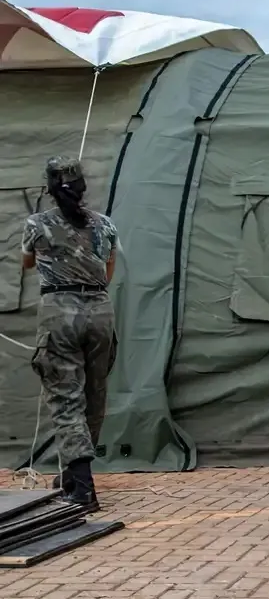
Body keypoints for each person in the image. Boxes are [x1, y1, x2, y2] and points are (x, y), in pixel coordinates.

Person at [20, 156, 118, 512]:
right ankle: (73, 473)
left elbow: (28, 262)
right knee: (94, 394)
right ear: (82, 188)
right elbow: (109, 271)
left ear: (49, 188)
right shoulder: (105, 224)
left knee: (65, 397)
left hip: (59, 311)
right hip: (100, 310)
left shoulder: (37, 223)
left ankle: (81, 485)